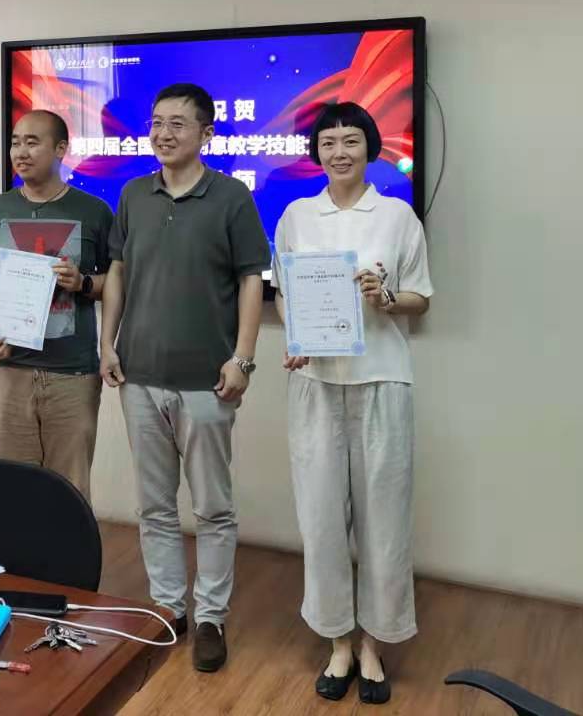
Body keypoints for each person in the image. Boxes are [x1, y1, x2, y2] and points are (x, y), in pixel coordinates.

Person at [99, 83, 269, 674]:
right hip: (139, 374)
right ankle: (169, 608)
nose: (163, 133)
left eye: (177, 123)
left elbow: (252, 279)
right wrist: (107, 343)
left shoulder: (231, 197)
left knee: (213, 507)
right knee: (154, 505)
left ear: (206, 133)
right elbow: (118, 271)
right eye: (156, 122)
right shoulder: (133, 194)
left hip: (206, 380)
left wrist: (242, 358)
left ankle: (212, 616)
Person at [273, 101, 432, 706]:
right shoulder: (296, 215)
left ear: (370, 148)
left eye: (351, 141)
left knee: (383, 521)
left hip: (381, 380)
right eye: (328, 142)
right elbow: (284, 291)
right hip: (316, 381)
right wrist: (296, 336)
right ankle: (338, 640)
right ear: (316, 152)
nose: (339, 152)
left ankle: (374, 643)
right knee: (320, 519)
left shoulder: (396, 216)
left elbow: (421, 297)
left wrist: (385, 297)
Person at [0, 109, 113, 501]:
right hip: (7, 371)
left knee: (70, 490)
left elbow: (116, 284)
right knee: (12, 490)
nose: (20, 152)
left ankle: (69, 547)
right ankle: (18, 547)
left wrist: (83, 282)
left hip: (72, 374)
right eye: (16, 142)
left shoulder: (94, 211)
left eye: (32, 142)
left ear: (61, 149)